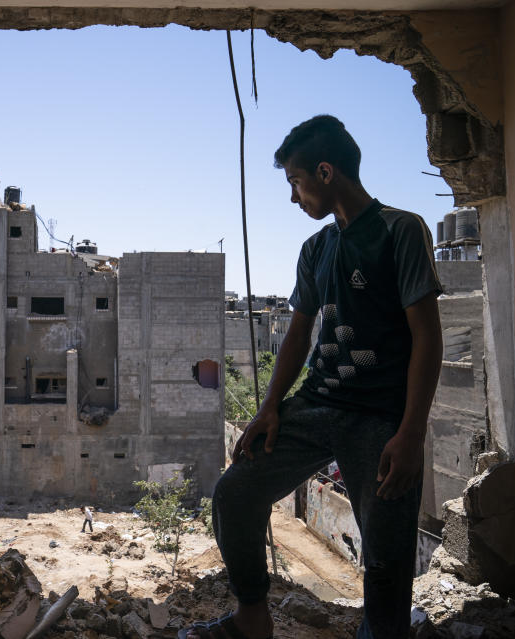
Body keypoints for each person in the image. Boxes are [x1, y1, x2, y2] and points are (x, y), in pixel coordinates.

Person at [181, 115, 443, 639]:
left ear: (326, 172)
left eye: (296, 183)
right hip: (316, 406)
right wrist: (270, 406)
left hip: (381, 419)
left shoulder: (401, 231)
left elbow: (427, 339)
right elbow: (297, 336)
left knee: (387, 563)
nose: (294, 197)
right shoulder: (316, 249)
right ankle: (252, 619)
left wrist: (411, 433)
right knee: (236, 493)